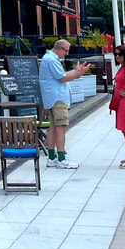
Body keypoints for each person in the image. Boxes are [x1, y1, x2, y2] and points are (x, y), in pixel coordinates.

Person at [38, 38, 91, 169]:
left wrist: (76, 71)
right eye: (66, 51)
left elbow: (61, 74)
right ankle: (61, 158)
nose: (67, 54)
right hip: (58, 98)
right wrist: (79, 73)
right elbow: (63, 77)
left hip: (51, 98)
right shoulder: (51, 60)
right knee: (61, 128)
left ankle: (52, 158)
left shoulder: (48, 58)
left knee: (53, 127)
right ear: (59, 48)